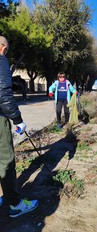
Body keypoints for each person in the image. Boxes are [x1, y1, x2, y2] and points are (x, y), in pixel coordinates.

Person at [0, 36, 39, 217]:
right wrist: (17, 120)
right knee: (5, 160)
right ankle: (15, 204)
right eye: (6, 48)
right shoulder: (1, 60)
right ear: (2, 47)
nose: (6, 51)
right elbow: (3, 93)